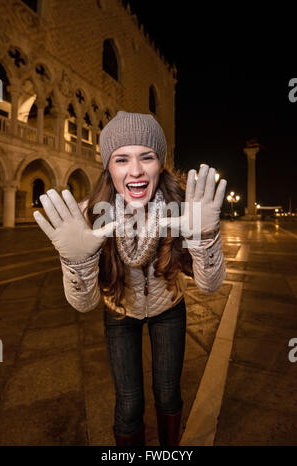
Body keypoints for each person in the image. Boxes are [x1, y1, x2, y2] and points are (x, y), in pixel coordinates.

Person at [33, 111, 227, 446]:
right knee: (128, 403)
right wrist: (77, 261)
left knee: (167, 394)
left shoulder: (184, 208)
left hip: (170, 308)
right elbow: (84, 304)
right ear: (108, 166)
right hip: (119, 313)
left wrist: (205, 235)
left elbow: (210, 286)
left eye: (147, 157)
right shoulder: (86, 214)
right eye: (121, 158)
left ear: (160, 164)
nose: (135, 170)